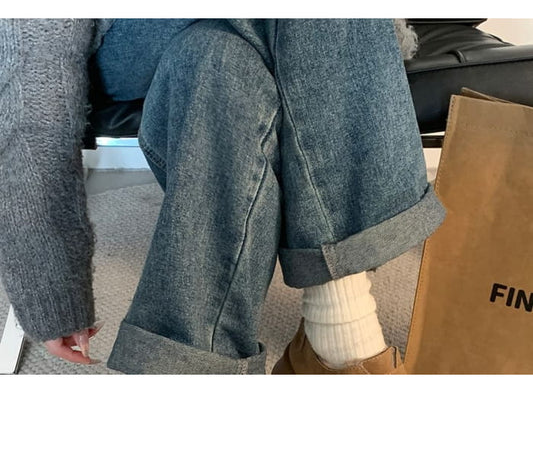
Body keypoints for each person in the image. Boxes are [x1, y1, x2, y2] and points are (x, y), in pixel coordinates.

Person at [0, 19, 446, 374]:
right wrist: (51, 290)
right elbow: (30, 98)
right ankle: (343, 339)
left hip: (224, 46)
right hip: (126, 43)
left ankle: (195, 375)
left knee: (216, 59)